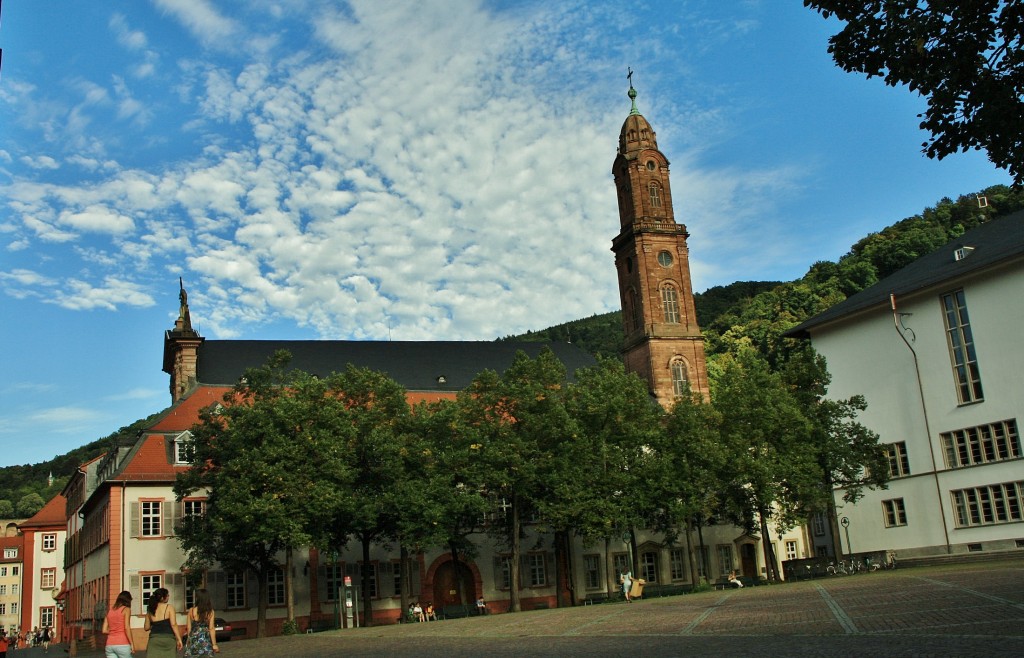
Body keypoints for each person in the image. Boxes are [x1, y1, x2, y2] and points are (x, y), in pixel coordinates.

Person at [144, 588, 183, 657]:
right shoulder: (169, 607)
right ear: (162, 598)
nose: (168, 597)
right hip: (168, 639)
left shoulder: (150, 609)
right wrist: (179, 639)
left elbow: (146, 627)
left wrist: (154, 625)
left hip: (154, 639)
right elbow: (173, 624)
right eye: (167, 595)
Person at [184, 588, 219, 657]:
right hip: (205, 639)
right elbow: (211, 628)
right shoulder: (210, 612)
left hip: (193, 639)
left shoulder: (191, 610)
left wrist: (189, 640)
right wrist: (214, 644)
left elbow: (189, 628)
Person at [102, 590, 137, 658]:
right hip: (122, 643)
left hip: (110, 645)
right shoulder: (126, 609)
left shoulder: (109, 611)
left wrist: (113, 631)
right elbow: (126, 627)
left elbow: (104, 630)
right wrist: (132, 644)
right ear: (128, 600)